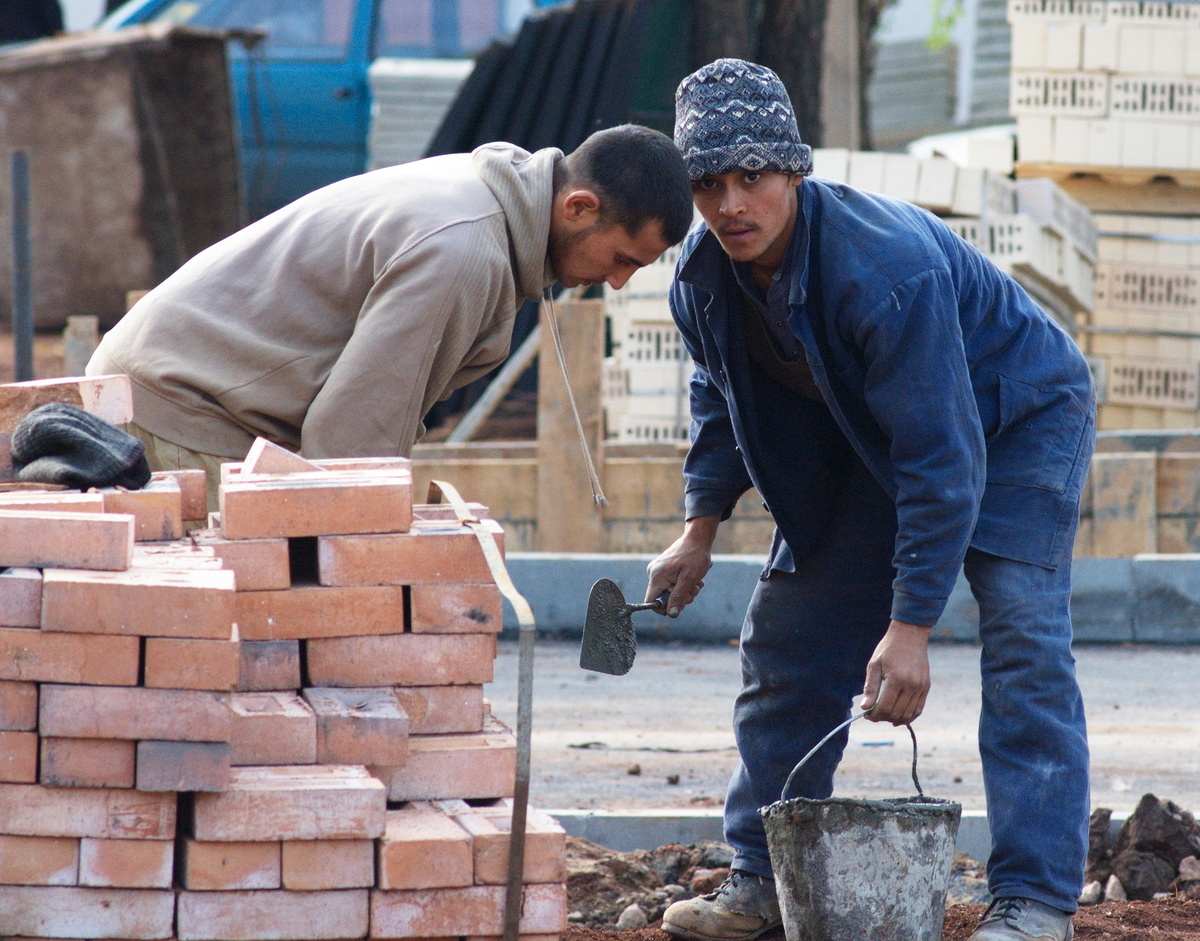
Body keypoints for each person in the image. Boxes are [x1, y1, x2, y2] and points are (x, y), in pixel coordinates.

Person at [648, 59, 1093, 941]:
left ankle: (1036, 901)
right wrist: (698, 528)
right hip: (878, 433)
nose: (732, 204)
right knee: (789, 635)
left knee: (1022, 640)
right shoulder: (705, 275)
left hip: (1017, 418)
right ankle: (764, 879)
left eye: (753, 177)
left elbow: (945, 458)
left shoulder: (883, 270)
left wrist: (911, 625)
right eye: (707, 183)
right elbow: (719, 397)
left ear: (795, 171)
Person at [88, 124, 693, 507]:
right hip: (173, 416)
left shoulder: (484, 194)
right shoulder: (464, 251)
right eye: (621, 259)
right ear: (579, 207)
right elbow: (350, 442)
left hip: (161, 390)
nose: (617, 282)